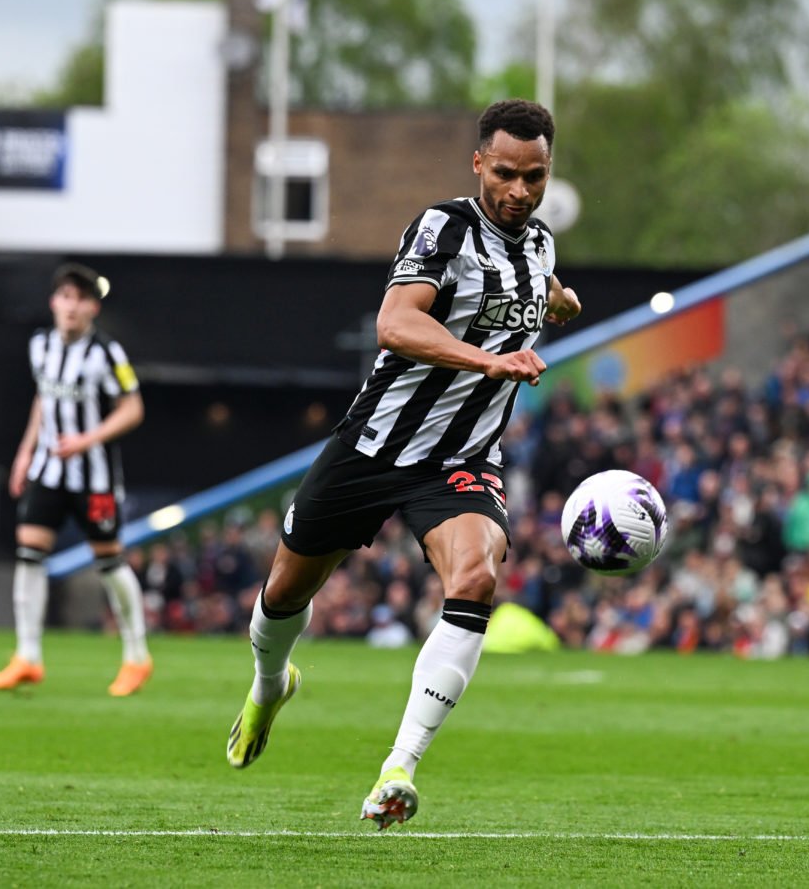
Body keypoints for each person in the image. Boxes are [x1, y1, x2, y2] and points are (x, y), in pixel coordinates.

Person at [225, 99, 581, 830]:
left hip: (462, 457)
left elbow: (532, 286)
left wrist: (558, 300)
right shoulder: (441, 227)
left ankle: (399, 767)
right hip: (375, 445)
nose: (520, 190)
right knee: (285, 593)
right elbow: (397, 321)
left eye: (535, 177)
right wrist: (491, 358)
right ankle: (268, 686)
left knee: (478, 574)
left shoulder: (540, 243)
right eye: (507, 173)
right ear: (479, 163)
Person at [0, 262, 151, 696]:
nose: (72, 306)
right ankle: (28, 655)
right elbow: (43, 399)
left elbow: (133, 409)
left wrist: (85, 440)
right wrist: (24, 455)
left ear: (93, 307)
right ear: (54, 302)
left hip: (93, 478)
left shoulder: (106, 353)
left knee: (109, 562)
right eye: (65, 296)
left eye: (81, 299)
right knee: (29, 554)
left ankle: (137, 656)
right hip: (48, 471)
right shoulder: (40, 346)